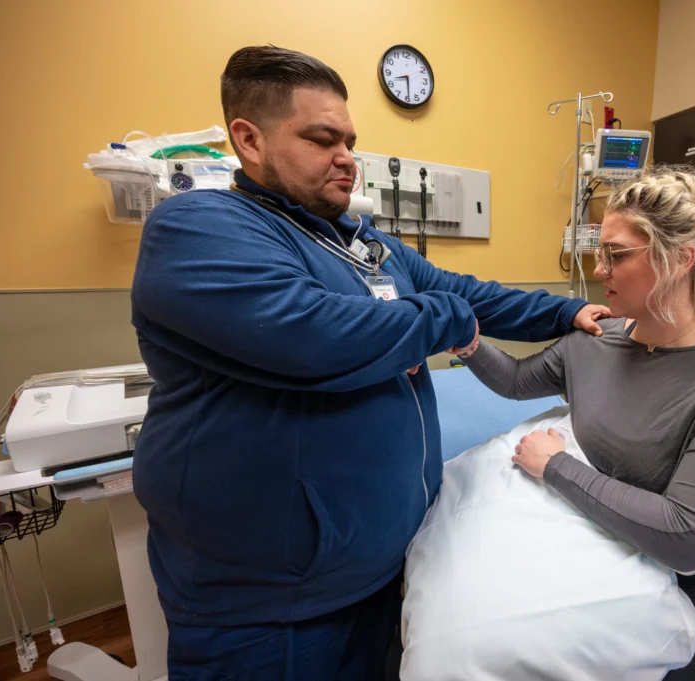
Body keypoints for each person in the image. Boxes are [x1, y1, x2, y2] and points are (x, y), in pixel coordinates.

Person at [130, 45, 609, 680]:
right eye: (322, 139)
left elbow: (470, 293)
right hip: (270, 602)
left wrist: (566, 315)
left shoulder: (362, 245)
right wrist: (444, 318)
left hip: (381, 568)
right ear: (248, 139)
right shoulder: (198, 227)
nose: (347, 159)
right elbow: (313, 336)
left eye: (350, 141)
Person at [460, 165, 695, 681]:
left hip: (681, 579)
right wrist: (463, 339)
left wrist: (556, 466)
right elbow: (515, 381)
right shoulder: (596, 339)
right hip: (590, 538)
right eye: (600, 253)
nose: (599, 269)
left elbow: (685, 536)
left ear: (679, 260)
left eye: (616, 255)